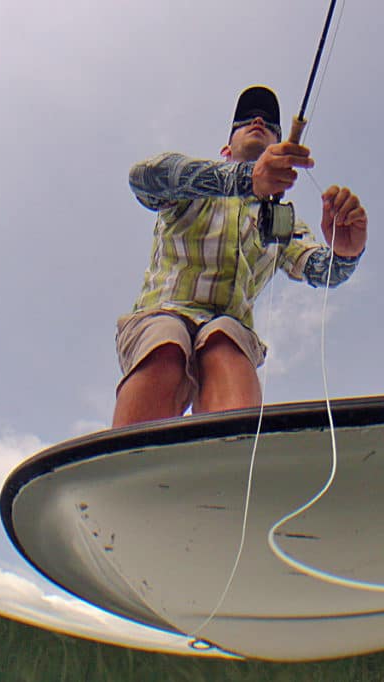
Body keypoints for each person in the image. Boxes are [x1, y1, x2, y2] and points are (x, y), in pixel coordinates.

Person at [112, 85, 368, 428]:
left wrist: (346, 251)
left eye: (269, 125)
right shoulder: (194, 186)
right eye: (244, 120)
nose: (258, 120)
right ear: (226, 150)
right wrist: (248, 179)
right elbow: (144, 178)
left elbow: (324, 271)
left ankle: (231, 459)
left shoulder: (283, 223)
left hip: (229, 326)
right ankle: (132, 458)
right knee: (166, 343)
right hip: (162, 312)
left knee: (225, 341)